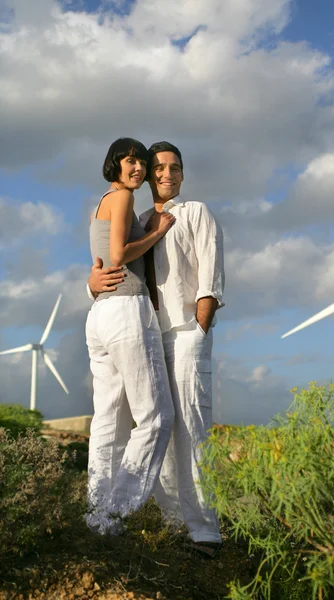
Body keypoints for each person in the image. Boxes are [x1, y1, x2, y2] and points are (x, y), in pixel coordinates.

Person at [88, 141, 225, 558]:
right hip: (144, 330)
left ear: (183, 174)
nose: (167, 174)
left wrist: (200, 327)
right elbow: (116, 264)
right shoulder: (142, 217)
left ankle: (204, 531)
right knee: (153, 427)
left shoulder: (195, 211)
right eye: (159, 167)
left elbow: (210, 275)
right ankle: (171, 523)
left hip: (183, 333)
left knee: (190, 428)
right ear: (148, 176)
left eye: (175, 167)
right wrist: (90, 286)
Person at [85, 137, 175, 535]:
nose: (138, 168)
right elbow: (119, 255)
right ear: (115, 164)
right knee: (157, 416)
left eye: (142, 162)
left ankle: (97, 514)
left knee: (108, 422)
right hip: (125, 311)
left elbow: (103, 258)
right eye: (131, 160)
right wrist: (159, 231)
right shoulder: (122, 198)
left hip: (100, 313)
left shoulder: (102, 202)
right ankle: (116, 513)